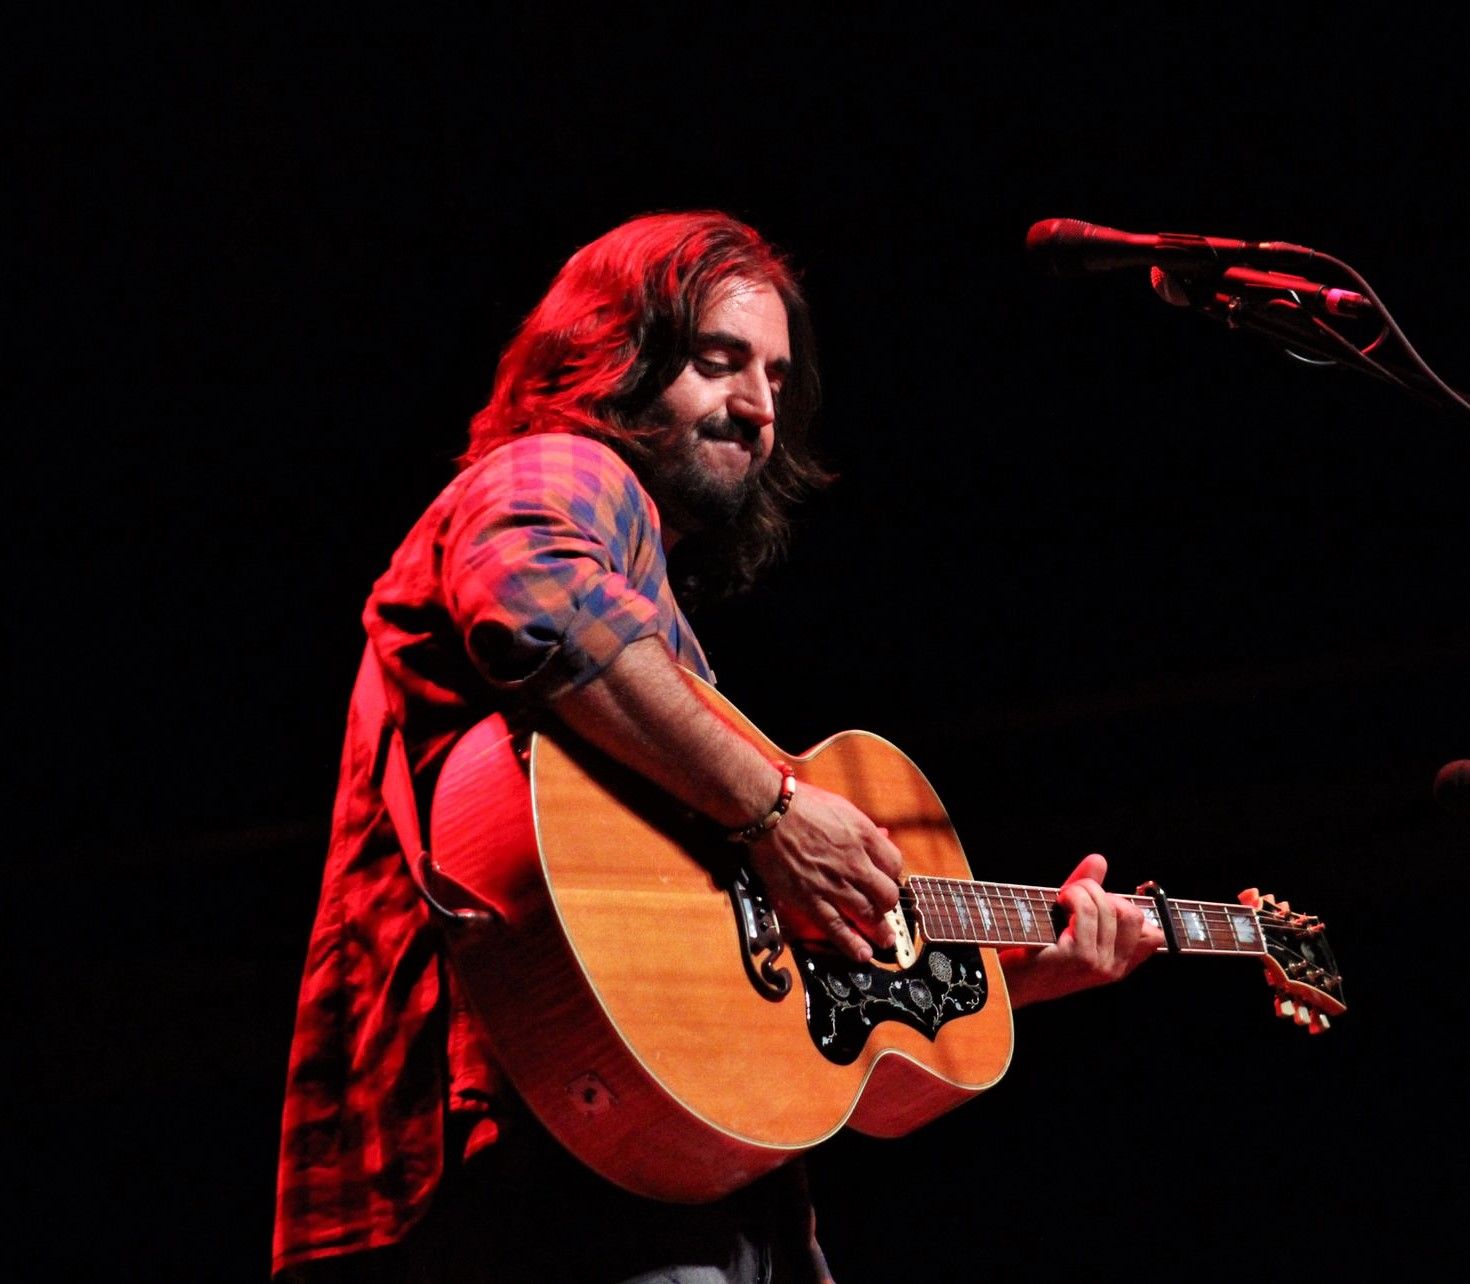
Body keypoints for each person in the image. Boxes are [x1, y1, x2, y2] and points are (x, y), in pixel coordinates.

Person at [271, 210, 1162, 1283]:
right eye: (716, 362)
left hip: (640, 1167)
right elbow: (532, 601)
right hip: (534, 1159)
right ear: (604, 358)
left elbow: (776, 1005)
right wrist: (776, 812)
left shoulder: (655, 676)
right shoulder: (564, 469)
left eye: (778, 380)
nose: (757, 408)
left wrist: (1011, 983)